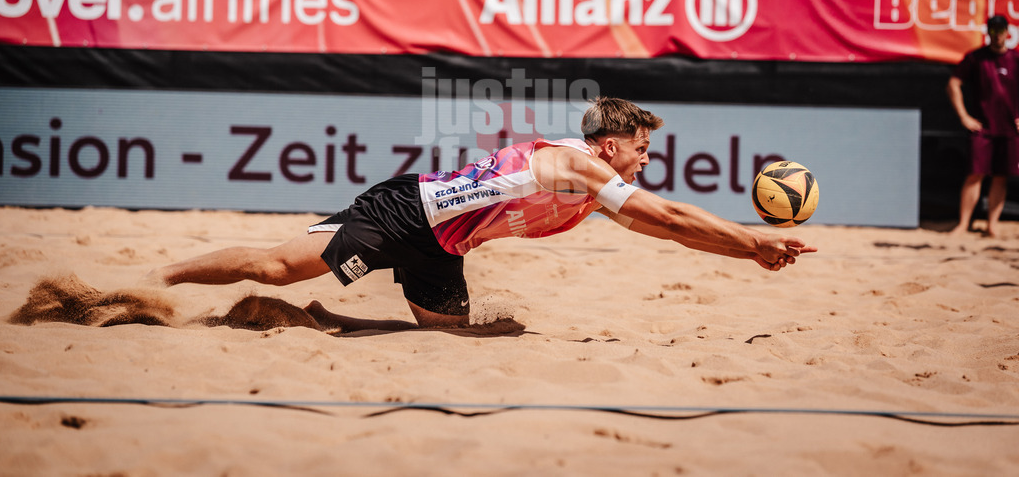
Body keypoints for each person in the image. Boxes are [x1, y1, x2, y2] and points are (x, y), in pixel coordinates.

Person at [145, 97, 816, 331]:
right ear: (609, 145)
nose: (644, 161)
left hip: (444, 249)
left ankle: (326, 319)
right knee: (275, 264)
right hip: (404, 212)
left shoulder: (592, 194)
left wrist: (748, 253)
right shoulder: (578, 163)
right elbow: (667, 216)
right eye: (640, 149)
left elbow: (668, 233)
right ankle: (161, 278)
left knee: (454, 335)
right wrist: (753, 239)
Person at [947, 15, 1019, 238]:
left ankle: (992, 226)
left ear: (1008, 32)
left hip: (1009, 129)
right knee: (975, 175)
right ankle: (963, 224)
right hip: (983, 128)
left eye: (1001, 31)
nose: (997, 35)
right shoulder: (976, 58)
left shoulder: (1016, 59)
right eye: (993, 31)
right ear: (988, 32)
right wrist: (963, 116)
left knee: (1001, 176)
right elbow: (953, 84)